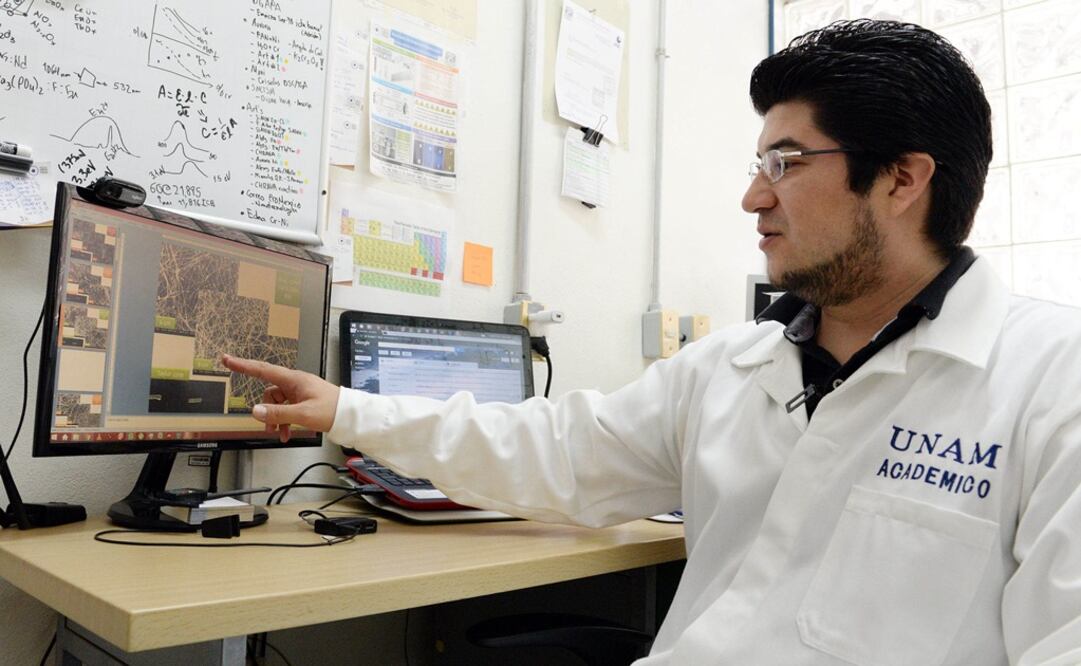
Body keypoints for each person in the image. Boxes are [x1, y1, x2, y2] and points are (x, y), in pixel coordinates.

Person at [224, 19, 1081, 665]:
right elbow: (552, 450)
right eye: (757, 166)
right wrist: (346, 408)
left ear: (901, 178)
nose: (753, 198)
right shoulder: (734, 367)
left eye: (784, 164)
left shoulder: (1050, 381)